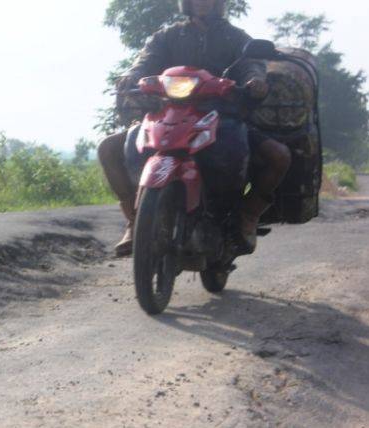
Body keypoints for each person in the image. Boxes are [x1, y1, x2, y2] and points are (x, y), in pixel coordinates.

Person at [98, 0, 291, 257]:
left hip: (222, 118)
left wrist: (255, 80)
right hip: (167, 115)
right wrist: (132, 75)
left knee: (279, 156)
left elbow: (251, 64)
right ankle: (134, 219)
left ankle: (248, 215)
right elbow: (145, 61)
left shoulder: (236, 38)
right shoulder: (167, 36)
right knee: (108, 148)